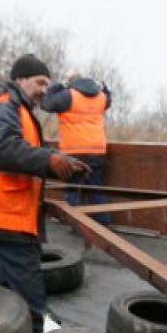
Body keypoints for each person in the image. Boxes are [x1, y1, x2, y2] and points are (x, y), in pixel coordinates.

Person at [0, 54, 90, 333]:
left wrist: (60, 164)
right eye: (40, 82)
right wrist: (50, 160)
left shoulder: (19, 108)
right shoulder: (5, 106)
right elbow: (4, 149)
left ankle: (26, 327)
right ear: (20, 79)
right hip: (2, 212)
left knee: (18, 278)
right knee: (28, 284)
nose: (45, 89)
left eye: (48, 84)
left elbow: (27, 152)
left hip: (8, 210)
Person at [42, 72, 113, 225]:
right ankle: (104, 226)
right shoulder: (101, 97)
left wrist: (59, 85)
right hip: (98, 151)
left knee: (72, 190)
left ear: (70, 83)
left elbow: (46, 103)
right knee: (96, 190)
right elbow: (109, 99)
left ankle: (77, 226)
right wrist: (104, 88)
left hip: (74, 151)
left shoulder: (68, 95)